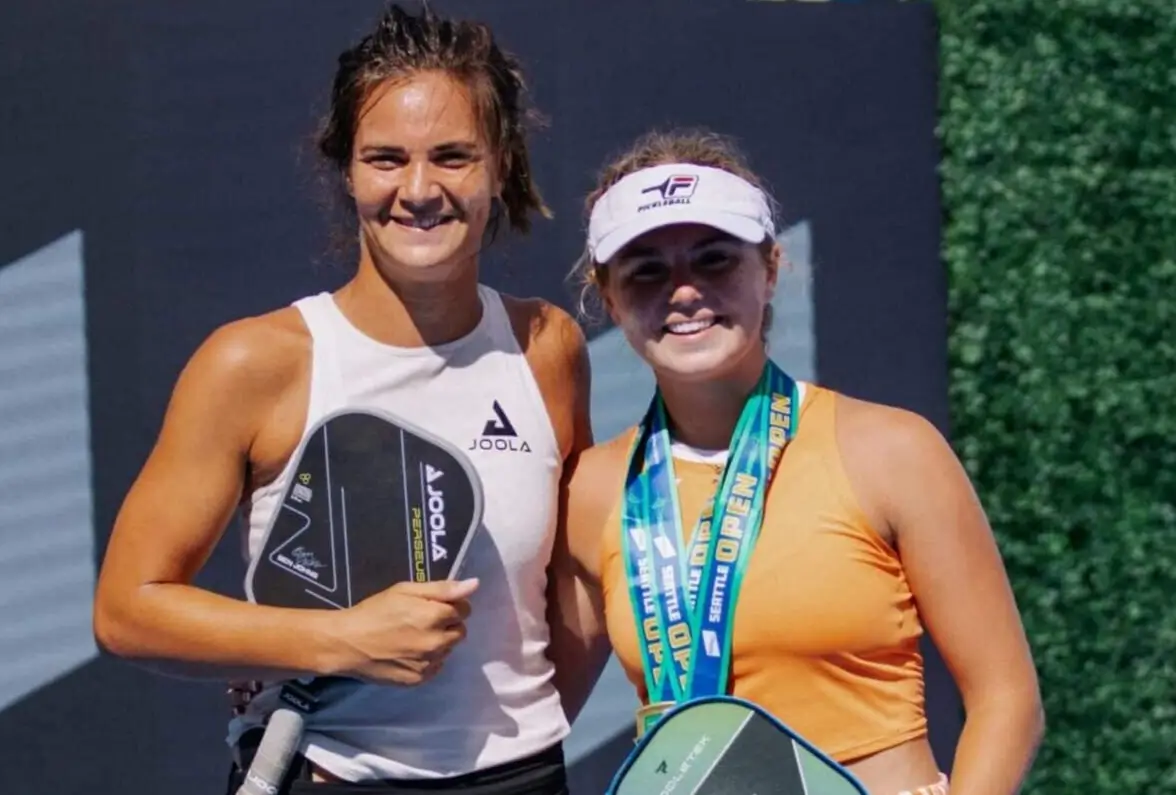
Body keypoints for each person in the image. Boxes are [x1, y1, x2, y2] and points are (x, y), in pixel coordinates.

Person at [92, 5, 592, 793]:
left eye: (453, 156)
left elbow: (567, 598)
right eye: (385, 158)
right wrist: (338, 639)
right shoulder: (255, 361)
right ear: (346, 170)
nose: (419, 190)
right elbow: (127, 609)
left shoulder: (549, 346)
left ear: (501, 166)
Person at [547, 129, 1045, 795]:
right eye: (647, 271)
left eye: (715, 260)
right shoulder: (594, 491)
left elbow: (1007, 698)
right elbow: (529, 722)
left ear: (771, 267)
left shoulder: (890, 450)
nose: (684, 291)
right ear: (608, 297)